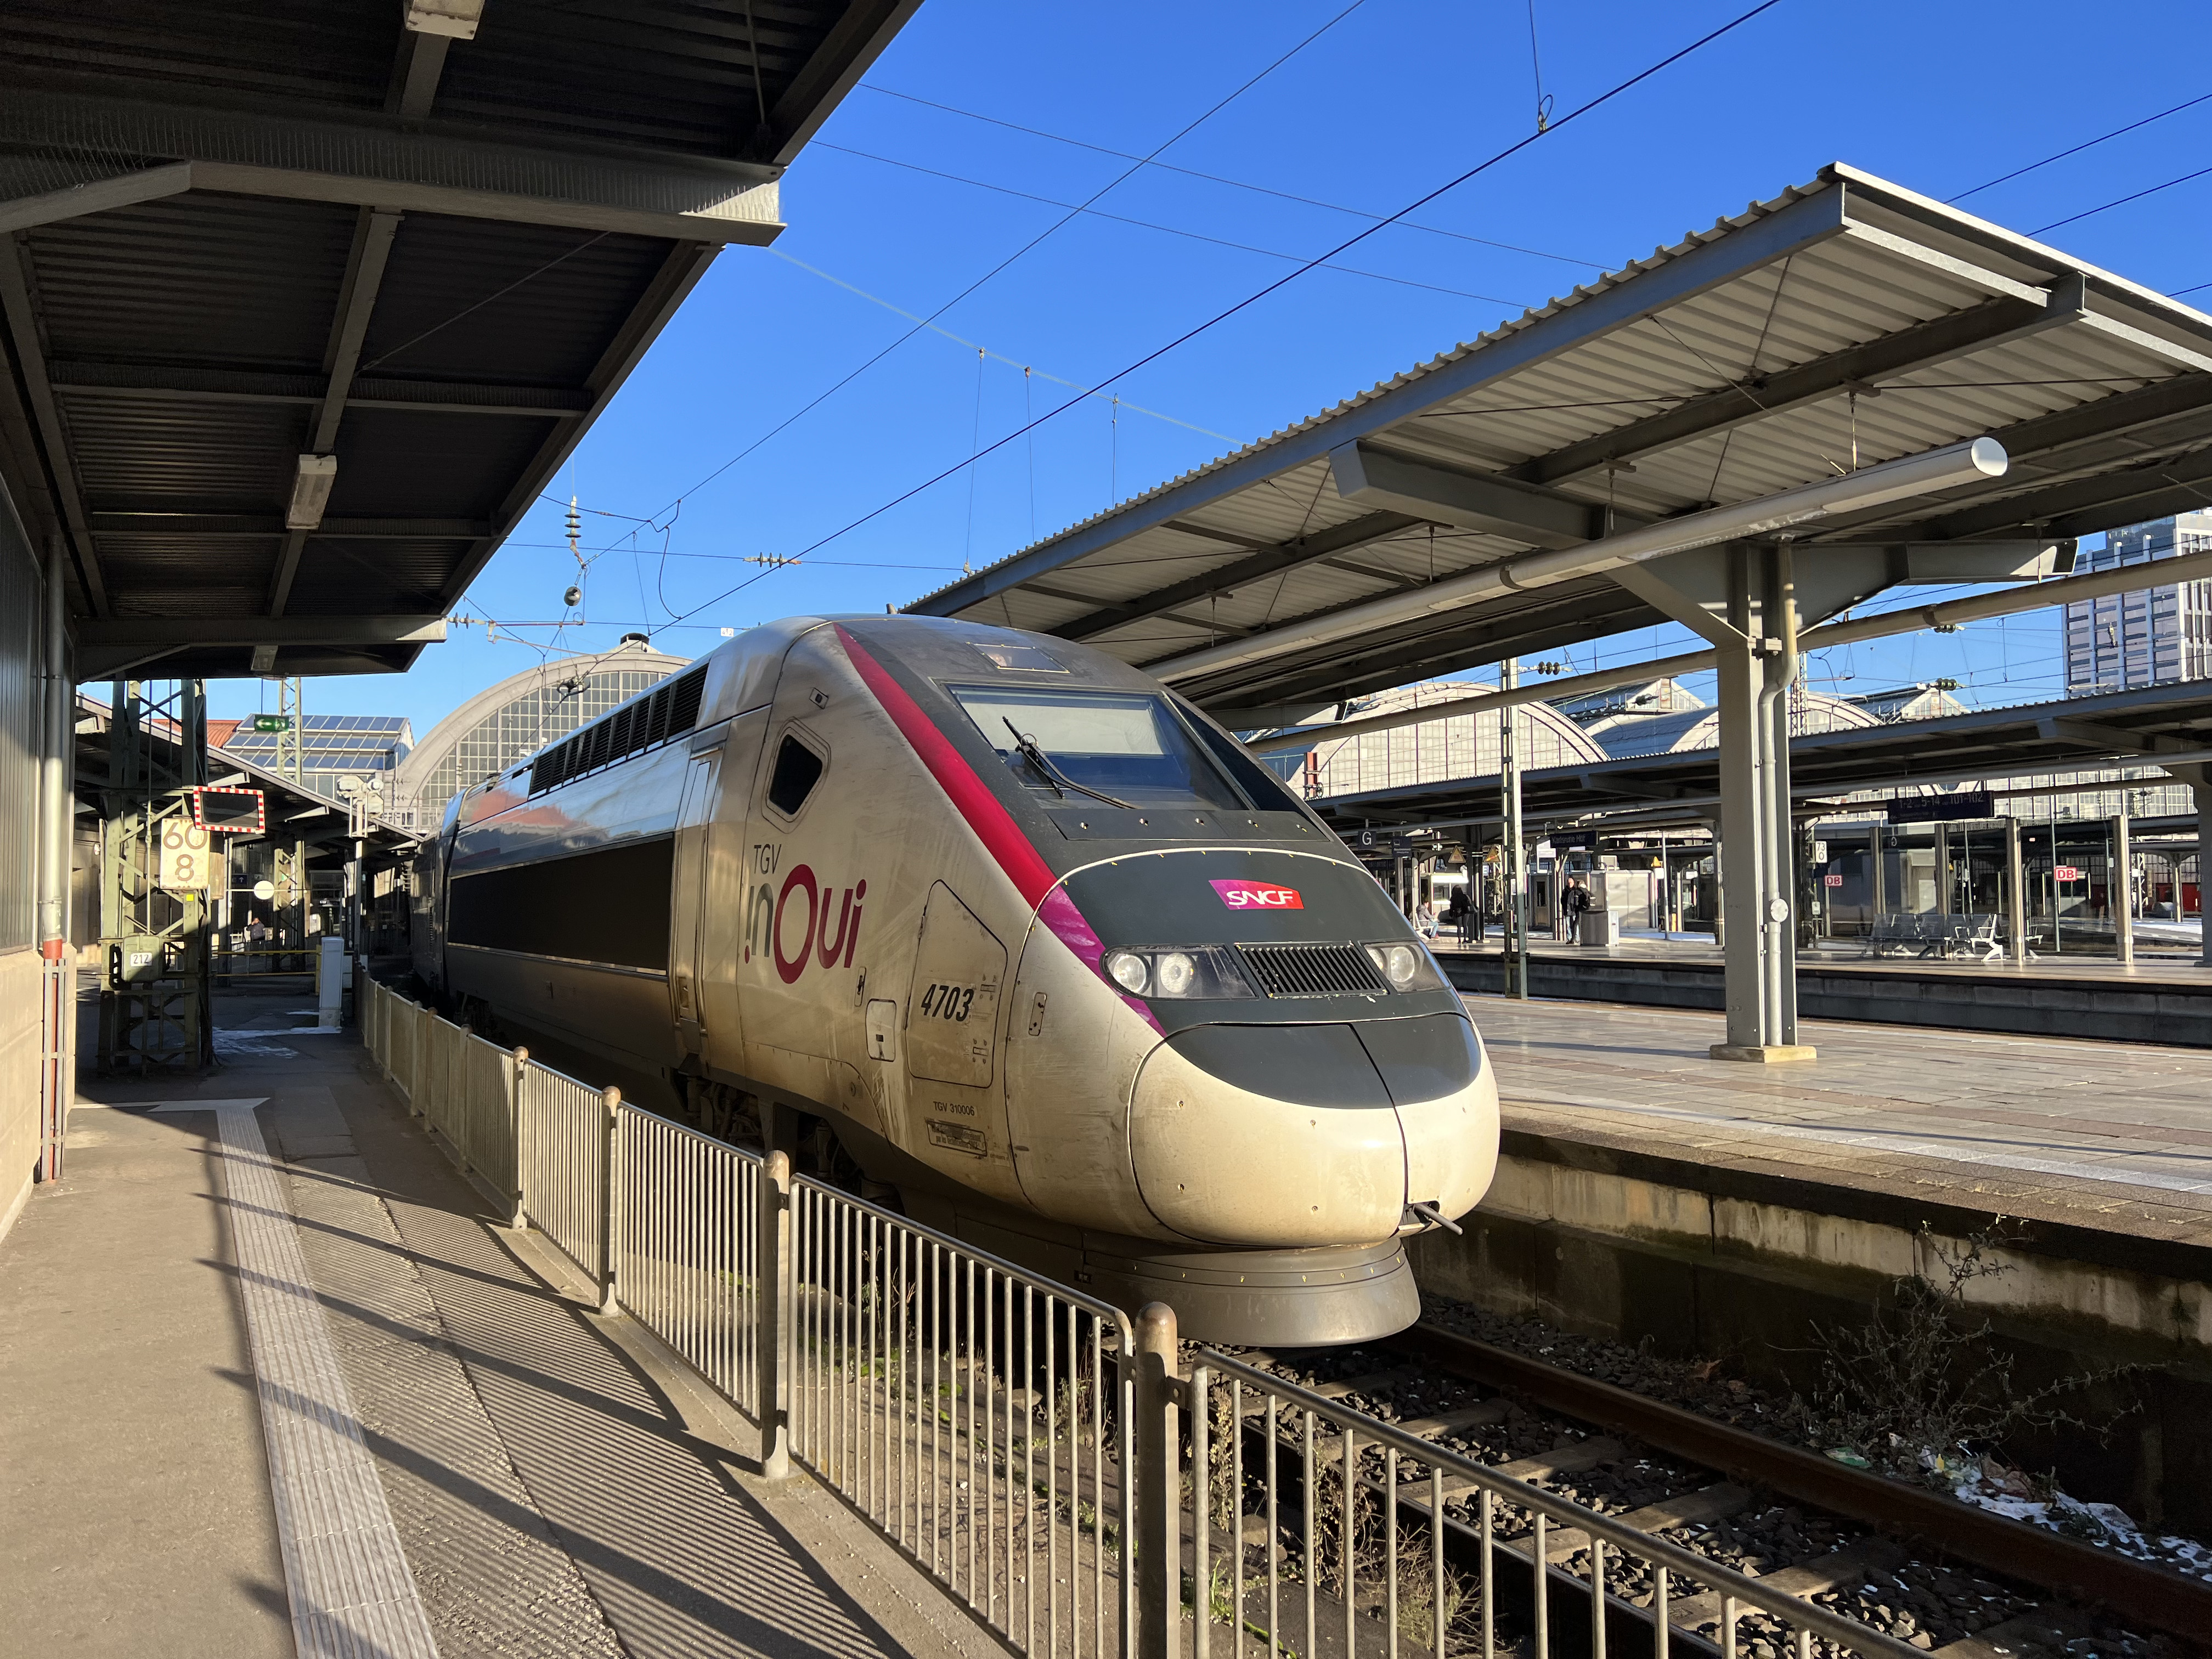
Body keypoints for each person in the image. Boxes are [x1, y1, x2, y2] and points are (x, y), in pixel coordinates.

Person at [1562, 876, 1593, 944]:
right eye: (1569, 882)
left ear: (1574, 883)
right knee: (1568, 925)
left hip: (1574, 910)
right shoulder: (1565, 891)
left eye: (1571, 882)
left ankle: (1576, 938)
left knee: (1575, 924)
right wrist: (1564, 907)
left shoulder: (1576, 891)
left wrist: (1575, 908)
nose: (1570, 884)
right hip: (1567, 910)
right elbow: (1563, 900)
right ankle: (1570, 938)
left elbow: (1577, 901)